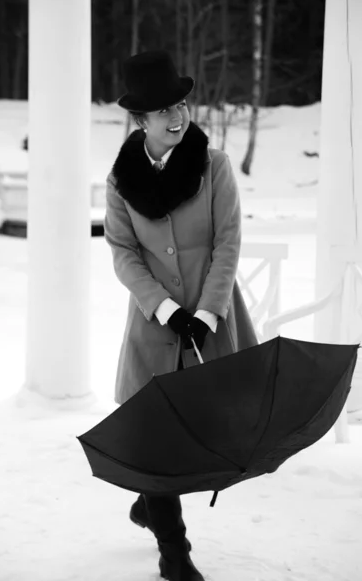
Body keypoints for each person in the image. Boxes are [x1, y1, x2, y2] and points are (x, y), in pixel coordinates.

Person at [104, 50, 258, 581]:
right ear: (139, 120)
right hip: (153, 328)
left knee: (202, 432)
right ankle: (176, 553)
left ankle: (150, 505)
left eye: (181, 104)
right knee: (156, 438)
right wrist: (165, 309)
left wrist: (208, 312)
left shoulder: (213, 167)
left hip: (210, 326)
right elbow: (124, 253)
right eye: (162, 110)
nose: (177, 116)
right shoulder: (121, 180)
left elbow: (228, 243)